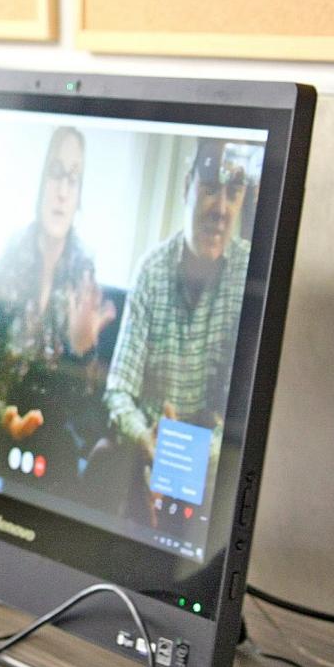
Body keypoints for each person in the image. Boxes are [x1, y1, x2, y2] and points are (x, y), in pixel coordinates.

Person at [102, 138, 257, 529]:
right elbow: (118, 389)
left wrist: (181, 459)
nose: (220, 211)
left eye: (233, 194)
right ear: (187, 186)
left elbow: (245, 415)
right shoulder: (151, 271)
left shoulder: (251, 277)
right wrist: (145, 438)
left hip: (212, 473)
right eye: (209, 190)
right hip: (143, 457)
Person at [0, 126, 116, 474]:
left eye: (74, 179)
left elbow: (87, 406)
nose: (63, 191)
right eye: (55, 173)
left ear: (80, 195)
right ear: (39, 182)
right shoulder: (5, 265)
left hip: (56, 448)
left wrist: (83, 352)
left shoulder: (86, 276)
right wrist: (0, 414)